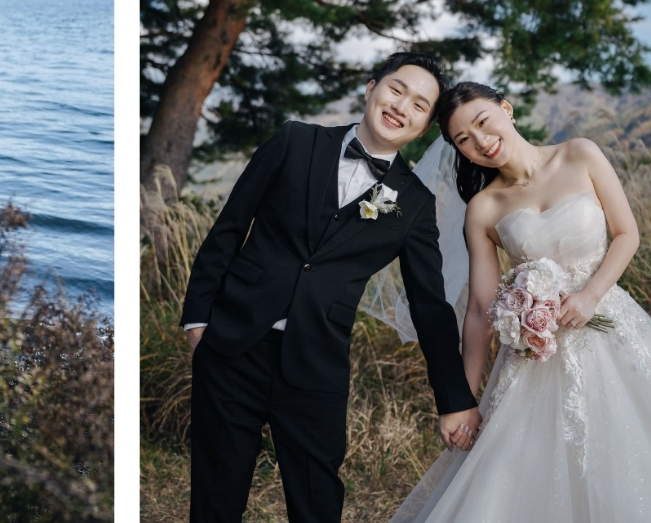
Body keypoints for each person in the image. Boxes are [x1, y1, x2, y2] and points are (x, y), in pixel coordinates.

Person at [390, 81, 651, 522]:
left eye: (482, 122)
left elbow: (628, 234)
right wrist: (463, 400)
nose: (480, 142)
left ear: (506, 109)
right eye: (463, 140)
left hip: (612, 327)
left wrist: (589, 295)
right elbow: (479, 309)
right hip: (535, 356)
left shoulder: (579, 153)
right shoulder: (484, 209)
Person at [182, 53, 481, 523]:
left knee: (317, 501)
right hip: (233, 342)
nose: (402, 106)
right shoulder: (295, 141)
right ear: (370, 88)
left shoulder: (415, 204)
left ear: (424, 126)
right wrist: (199, 318)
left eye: (420, 105)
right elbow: (229, 225)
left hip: (316, 361)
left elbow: (429, 305)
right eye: (396, 90)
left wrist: (455, 399)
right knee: (216, 497)